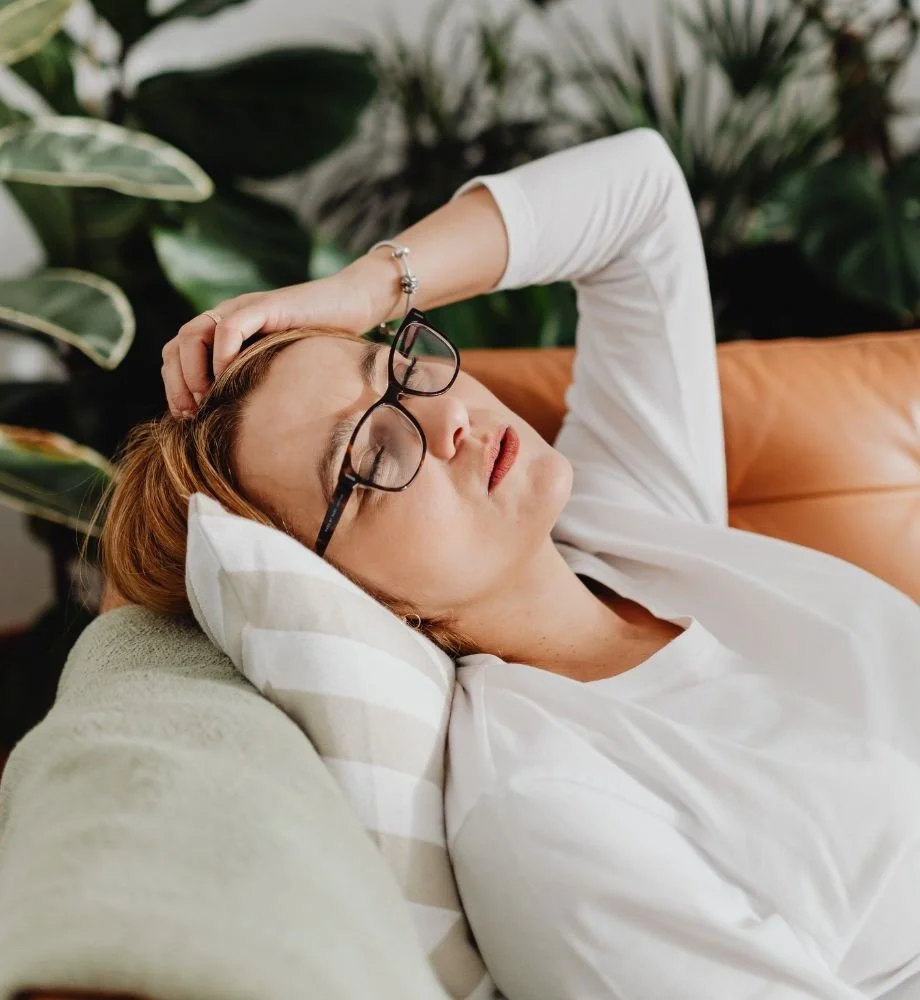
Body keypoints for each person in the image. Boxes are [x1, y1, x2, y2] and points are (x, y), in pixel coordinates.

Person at [102, 128, 920, 999]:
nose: (448, 417)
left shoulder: (628, 530)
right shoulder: (551, 814)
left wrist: (360, 289)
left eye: (396, 370)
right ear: (346, 589)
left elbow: (640, 195)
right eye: (372, 458)